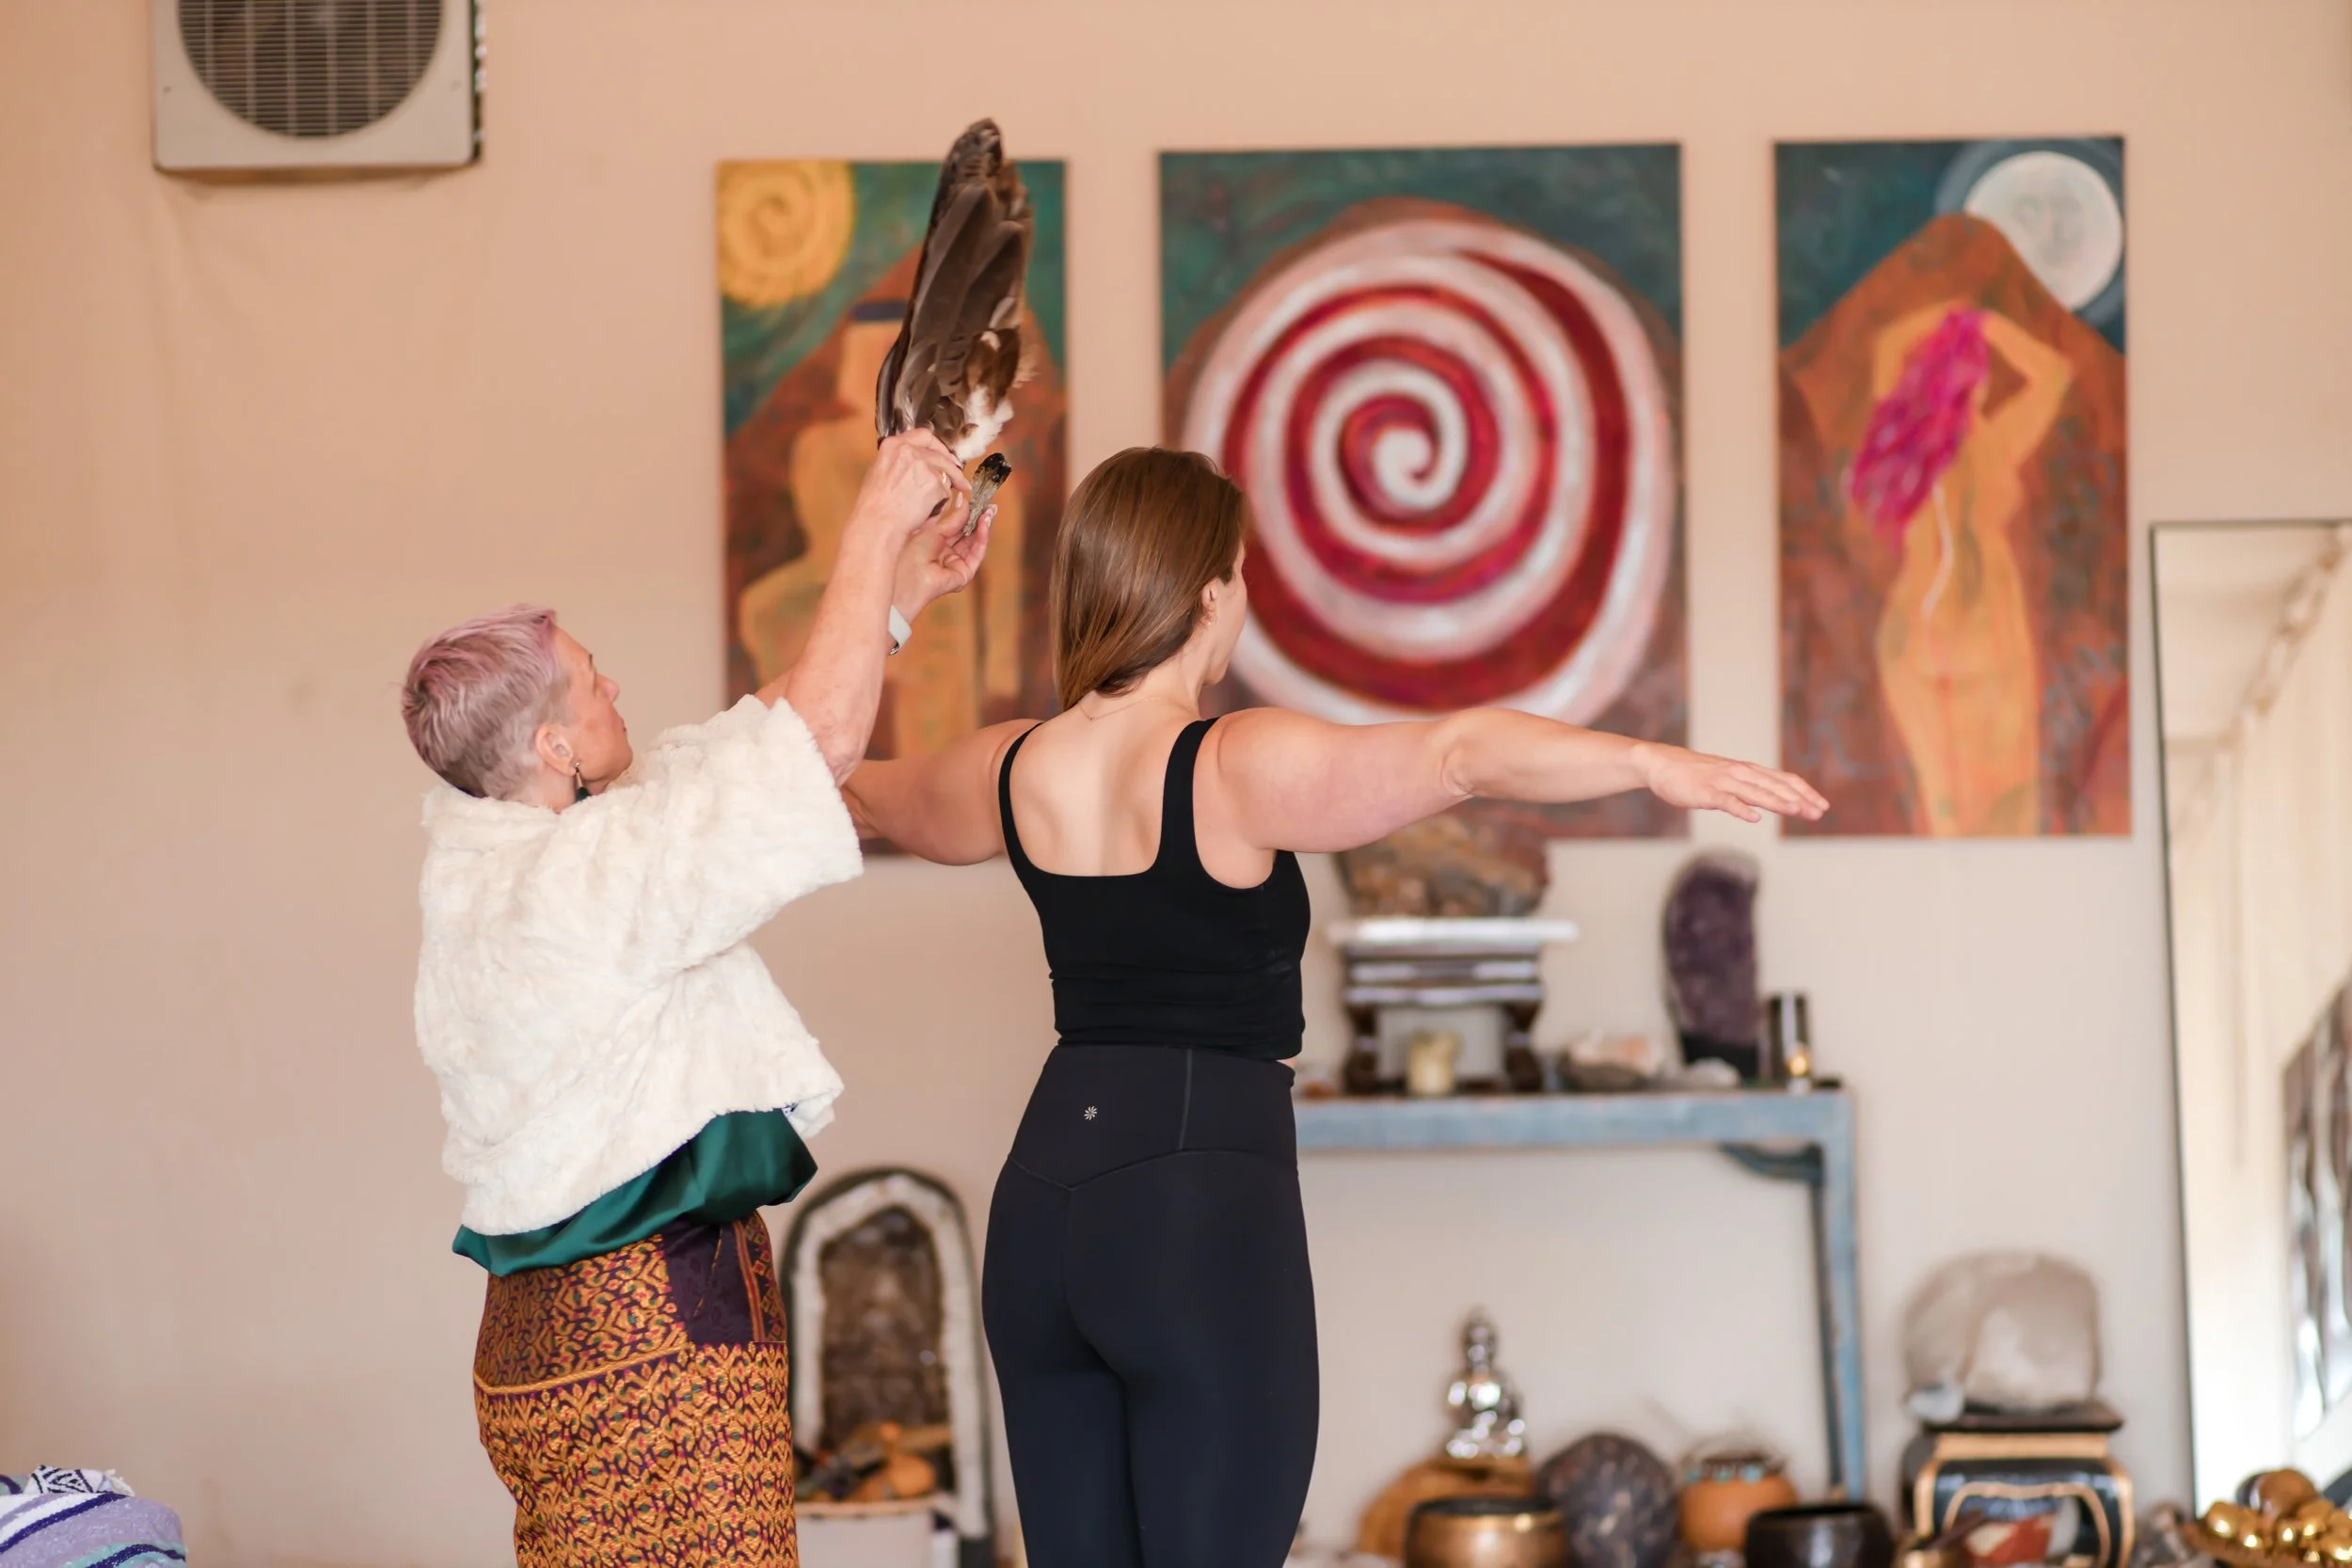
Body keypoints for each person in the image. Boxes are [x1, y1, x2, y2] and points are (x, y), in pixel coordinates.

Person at [841, 446, 1829, 1568]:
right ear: (1211, 591)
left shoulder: (1009, 765)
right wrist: (1651, 762)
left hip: (1043, 1203)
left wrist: (889, 598)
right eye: (1244, 575)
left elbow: (835, 777)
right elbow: (1461, 752)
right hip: (1193, 1196)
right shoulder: (1231, 762)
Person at [399, 430, 991, 1568]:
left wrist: (897, 593)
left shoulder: (495, 861)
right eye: (591, 676)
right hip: (644, 1338)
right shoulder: (575, 882)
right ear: (553, 742)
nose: (616, 682)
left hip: (544, 1340)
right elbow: (807, 745)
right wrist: (870, 521)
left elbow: (743, 750)